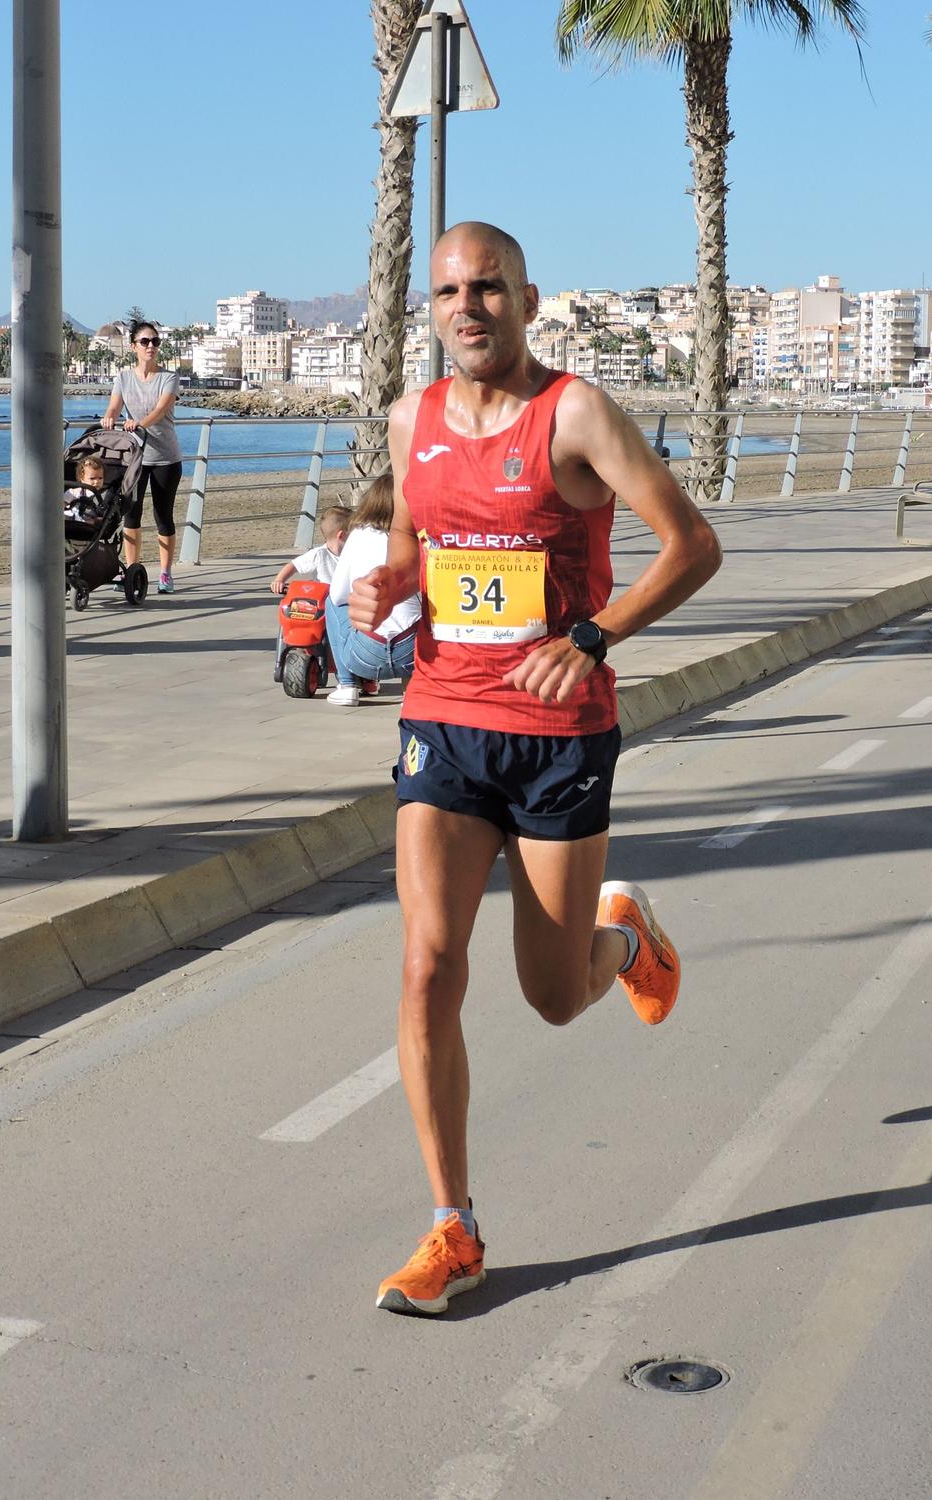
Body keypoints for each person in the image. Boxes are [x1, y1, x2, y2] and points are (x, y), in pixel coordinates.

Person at [345, 221, 721, 1317]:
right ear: (432, 309)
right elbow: (421, 547)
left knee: (554, 998)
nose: (469, 307)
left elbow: (691, 545)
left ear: (526, 299)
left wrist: (594, 637)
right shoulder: (408, 419)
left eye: (489, 289)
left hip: (559, 737)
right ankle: (451, 1228)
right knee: (425, 967)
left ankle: (625, 938)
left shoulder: (577, 415)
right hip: (444, 721)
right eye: (450, 292)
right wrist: (387, 592)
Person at [102, 321, 182, 593]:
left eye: (155, 342)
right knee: (130, 516)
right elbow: (114, 405)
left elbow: (161, 409)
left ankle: (166, 573)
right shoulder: (124, 378)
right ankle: (131, 571)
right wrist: (110, 417)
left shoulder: (168, 378)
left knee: (163, 517)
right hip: (134, 458)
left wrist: (140, 423)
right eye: (145, 342)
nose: (151, 346)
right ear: (134, 346)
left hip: (165, 457)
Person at [325, 473, 418, 705]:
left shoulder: (358, 536)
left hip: (364, 654)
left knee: (331, 601)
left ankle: (347, 685)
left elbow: (338, 595)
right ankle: (413, 689)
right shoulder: (417, 539)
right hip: (412, 654)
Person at [270, 504, 348, 595]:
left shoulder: (355, 554)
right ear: (341, 536)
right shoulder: (319, 554)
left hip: (347, 599)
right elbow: (294, 565)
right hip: (323, 599)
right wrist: (279, 580)